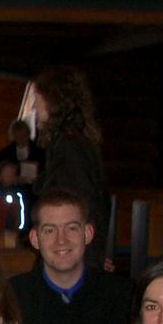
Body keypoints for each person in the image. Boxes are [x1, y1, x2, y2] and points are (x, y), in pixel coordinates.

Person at [11, 189, 132, 324]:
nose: (61, 240)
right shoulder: (12, 297)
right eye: (50, 230)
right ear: (35, 239)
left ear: (88, 234)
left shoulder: (122, 296)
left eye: (72, 228)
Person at [32, 65, 110, 269]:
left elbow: (75, 209)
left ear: (53, 100)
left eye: (37, 99)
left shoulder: (70, 148)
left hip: (69, 259)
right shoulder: (71, 143)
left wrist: (87, 257)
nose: (34, 107)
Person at [0, 118, 46, 188]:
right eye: (18, 137)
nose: (21, 140)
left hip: (34, 191)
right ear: (13, 136)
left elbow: (45, 171)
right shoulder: (5, 153)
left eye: (24, 136)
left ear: (28, 134)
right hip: (12, 191)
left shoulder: (38, 151)